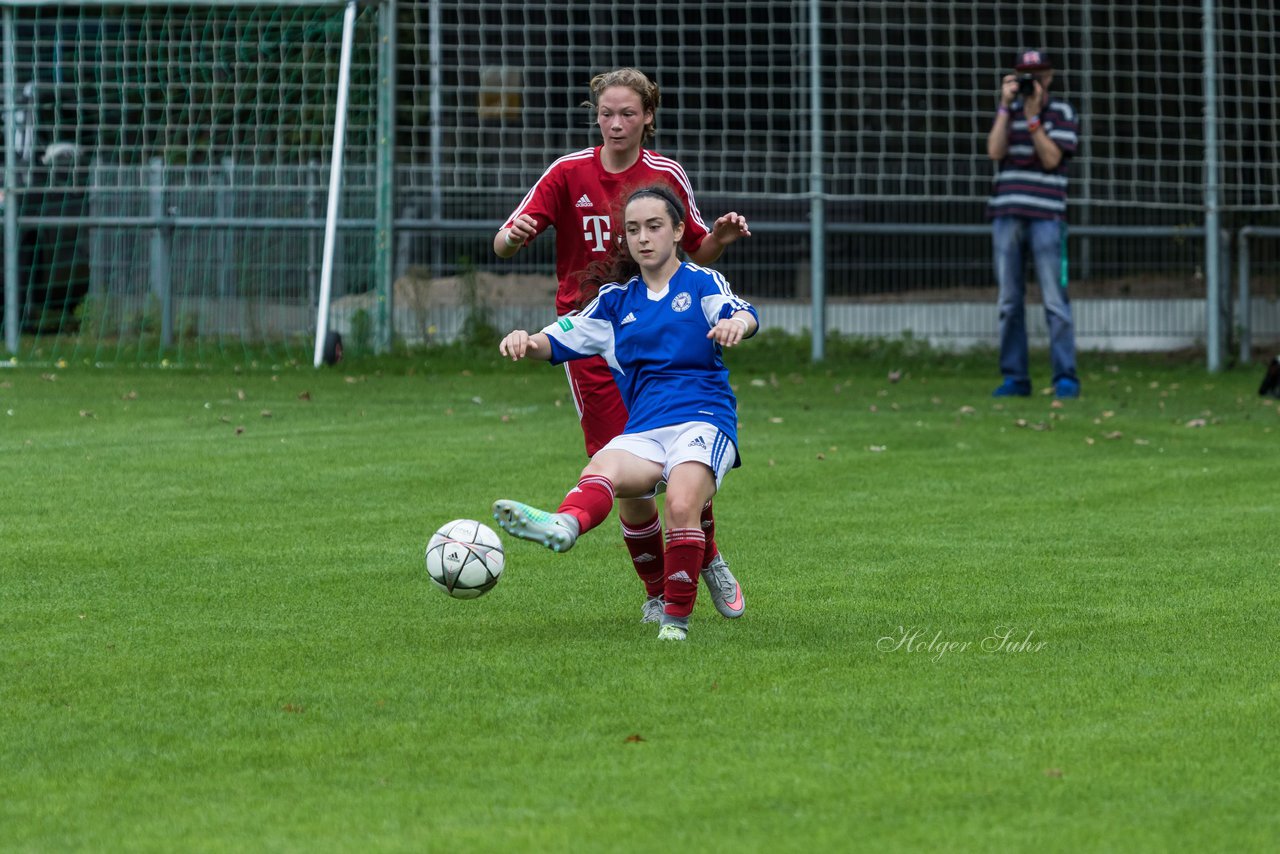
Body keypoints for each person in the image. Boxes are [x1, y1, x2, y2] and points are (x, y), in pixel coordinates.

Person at [492, 68, 752, 621]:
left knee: (683, 469)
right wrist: (511, 240)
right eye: (606, 113)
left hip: (659, 341)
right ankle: (659, 594)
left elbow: (695, 258)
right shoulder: (567, 172)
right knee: (627, 477)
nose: (615, 123)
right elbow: (502, 243)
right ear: (596, 116)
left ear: (647, 118)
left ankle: (706, 557)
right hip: (590, 338)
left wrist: (721, 244)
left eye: (627, 113)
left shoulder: (664, 177)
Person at [986, 49, 1081, 398]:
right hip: (1006, 213)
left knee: (1055, 300)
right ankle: (1015, 378)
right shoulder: (1007, 112)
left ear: (1050, 76)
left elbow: (1052, 158)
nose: (1033, 82)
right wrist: (1004, 106)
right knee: (1009, 301)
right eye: (1027, 76)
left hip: (1047, 216)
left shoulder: (1062, 113)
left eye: (1039, 75)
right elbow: (995, 152)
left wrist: (1034, 119)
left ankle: (1065, 378)